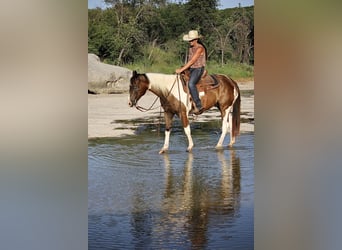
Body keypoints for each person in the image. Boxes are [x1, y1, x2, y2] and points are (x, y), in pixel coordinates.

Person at [176, 30, 207, 115]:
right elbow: (189, 61)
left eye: (191, 40)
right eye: (189, 40)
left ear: (196, 39)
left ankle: (198, 104)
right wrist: (183, 68)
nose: (190, 42)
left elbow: (192, 61)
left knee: (191, 84)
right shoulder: (190, 48)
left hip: (198, 68)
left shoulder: (200, 48)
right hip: (191, 68)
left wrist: (181, 70)